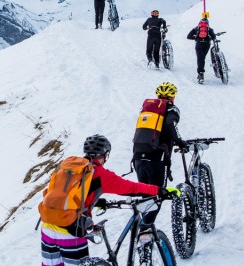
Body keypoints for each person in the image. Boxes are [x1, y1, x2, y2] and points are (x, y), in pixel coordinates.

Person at [40, 134, 178, 265]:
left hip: (47, 225)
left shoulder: (71, 167)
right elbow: (130, 188)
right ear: (105, 154)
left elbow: (69, 194)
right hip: (70, 231)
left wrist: (94, 201)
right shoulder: (99, 173)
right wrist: (159, 191)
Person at [132, 82, 188, 237]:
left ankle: (143, 229)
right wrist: (180, 142)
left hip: (138, 157)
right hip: (156, 158)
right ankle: (145, 231)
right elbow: (171, 124)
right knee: (157, 195)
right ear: (173, 96)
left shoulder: (149, 110)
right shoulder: (171, 108)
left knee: (146, 195)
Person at [187, 13, 217, 83]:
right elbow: (214, 37)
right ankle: (201, 73)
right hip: (206, 45)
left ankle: (200, 74)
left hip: (199, 44)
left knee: (200, 59)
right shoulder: (209, 29)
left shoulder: (196, 28)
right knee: (203, 58)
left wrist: (196, 37)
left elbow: (188, 36)